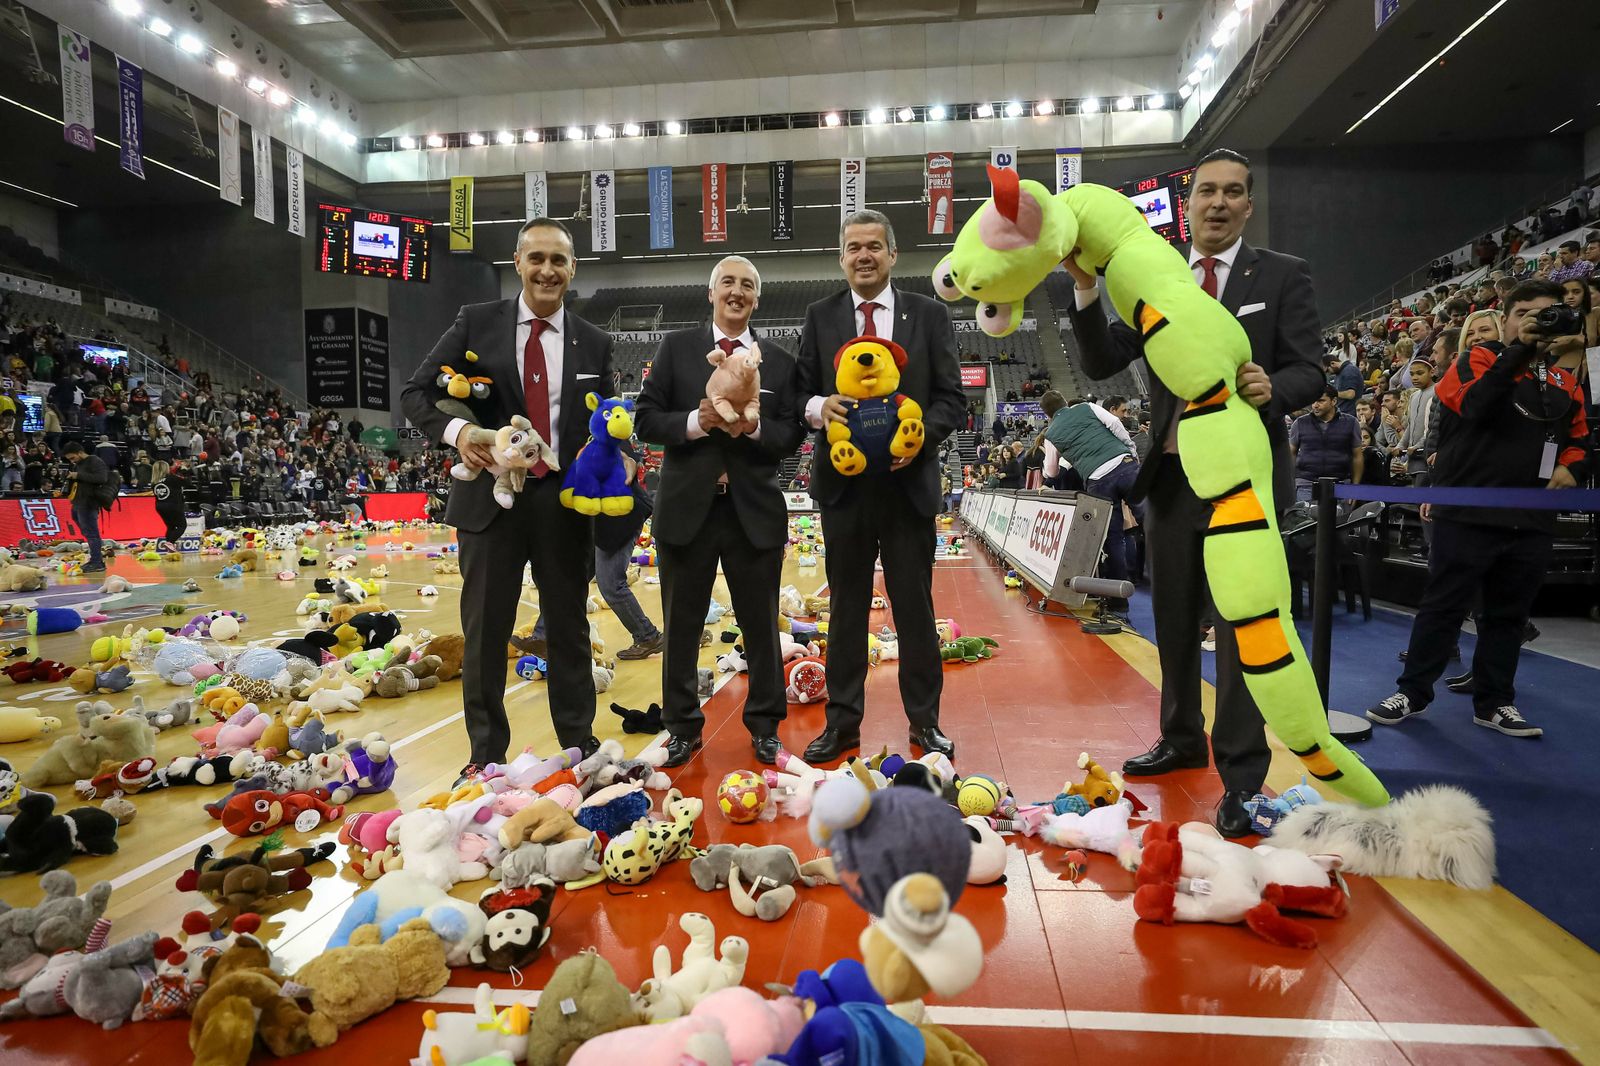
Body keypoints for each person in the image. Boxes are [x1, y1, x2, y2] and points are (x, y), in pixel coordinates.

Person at [1063, 147, 1324, 837]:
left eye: (1232, 193)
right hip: (1173, 479)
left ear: (1247, 205)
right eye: (1206, 191)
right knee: (1173, 616)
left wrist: (1276, 389)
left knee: (1241, 627)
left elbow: (1312, 371)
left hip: (1244, 476)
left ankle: (1242, 776)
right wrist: (1086, 290)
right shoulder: (1159, 275)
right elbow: (1099, 361)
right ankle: (1180, 738)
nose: (1218, 203)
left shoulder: (1284, 276)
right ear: (1187, 203)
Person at [400, 217, 612, 780]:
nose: (547, 270)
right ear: (517, 263)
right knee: (486, 630)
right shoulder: (475, 323)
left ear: (572, 270)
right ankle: (485, 756)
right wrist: (462, 435)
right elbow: (415, 394)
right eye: (536, 258)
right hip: (492, 502)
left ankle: (579, 749)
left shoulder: (594, 340)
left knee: (569, 628)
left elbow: (607, 424)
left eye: (559, 261)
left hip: (563, 503)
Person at [1368, 280, 1590, 738]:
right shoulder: (1474, 360)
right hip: (1468, 510)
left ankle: (1494, 702)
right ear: (1506, 318)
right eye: (1525, 312)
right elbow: (1472, 406)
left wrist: (1572, 466)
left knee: (1508, 615)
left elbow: (1581, 439)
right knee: (1443, 606)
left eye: (1547, 313)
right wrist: (1518, 352)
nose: (1535, 320)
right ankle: (1412, 691)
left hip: (1531, 516)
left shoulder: (1565, 381)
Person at [794, 209, 965, 764]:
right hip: (844, 490)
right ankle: (842, 723)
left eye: (874, 246)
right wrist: (821, 407)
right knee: (844, 609)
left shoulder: (929, 315)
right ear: (842, 259)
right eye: (853, 248)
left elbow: (950, 399)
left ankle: (926, 722)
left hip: (908, 486)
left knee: (915, 607)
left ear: (893, 254)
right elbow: (799, 394)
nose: (863, 256)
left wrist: (921, 436)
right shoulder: (820, 316)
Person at [634, 255, 805, 768]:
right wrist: (695, 420)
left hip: (753, 512)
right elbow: (645, 419)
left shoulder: (778, 359)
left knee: (761, 625)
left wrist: (751, 429)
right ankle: (681, 727)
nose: (737, 292)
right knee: (680, 627)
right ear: (711, 294)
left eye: (747, 285)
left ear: (756, 298)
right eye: (727, 283)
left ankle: (766, 727)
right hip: (688, 511)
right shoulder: (676, 348)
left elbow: (790, 435)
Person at [1038, 391, 1140, 602]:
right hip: (1124, 464)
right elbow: (1114, 424)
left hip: (1097, 481)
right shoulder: (1086, 408)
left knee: (1112, 540)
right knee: (1154, 519)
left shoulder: (1051, 435)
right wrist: (1130, 449)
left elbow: (1052, 471)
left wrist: (1048, 473)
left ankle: (1119, 603)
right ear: (1065, 403)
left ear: (1047, 415)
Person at [1289, 386, 1362, 501]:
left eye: (1320, 401)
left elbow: (1357, 456)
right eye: (1313, 401)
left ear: (1334, 401)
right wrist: (1290, 482)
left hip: (1341, 484)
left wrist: (1354, 488)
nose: (1315, 405)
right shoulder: (1300, 423)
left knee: (1341, 519)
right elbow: (1291, 454)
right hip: (1306, 484)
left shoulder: (1351, 423)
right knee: (1307, 519)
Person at [63, 439, 114, 572]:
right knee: (87, 532)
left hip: (89, 502)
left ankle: (97, 562)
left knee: (91, 533)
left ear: (80, 452)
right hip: (77, 502)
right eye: (69, 459)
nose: (72, 461)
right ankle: (98, 553)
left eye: (73, 457)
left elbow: (102, 478)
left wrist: (78, 475)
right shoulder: (77, 464)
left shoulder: (94, 461)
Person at [153, 459, 188, 547]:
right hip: (173, 505)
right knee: (182, 526)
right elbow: (187, 482)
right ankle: (170, 543)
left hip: (160, 506)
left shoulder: (154, 482)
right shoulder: (171, 478)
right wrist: (184, 470)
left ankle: (169, 546)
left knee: (171, 527)